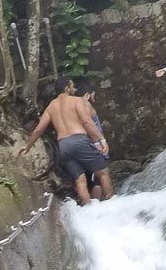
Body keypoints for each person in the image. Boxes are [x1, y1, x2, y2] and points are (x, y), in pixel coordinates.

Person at [20, 77, 113, 205]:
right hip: (79, 140)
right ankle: (112, 205)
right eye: (72, 86)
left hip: (63, 146)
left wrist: (28, 146)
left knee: (80, 180)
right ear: (66, 88)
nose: (74, 89)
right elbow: (87, 121)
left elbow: (39, 129)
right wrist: (101, 139)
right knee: (103, 173)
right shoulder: (76, 101)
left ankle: (88, 211)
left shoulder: (51, 106)